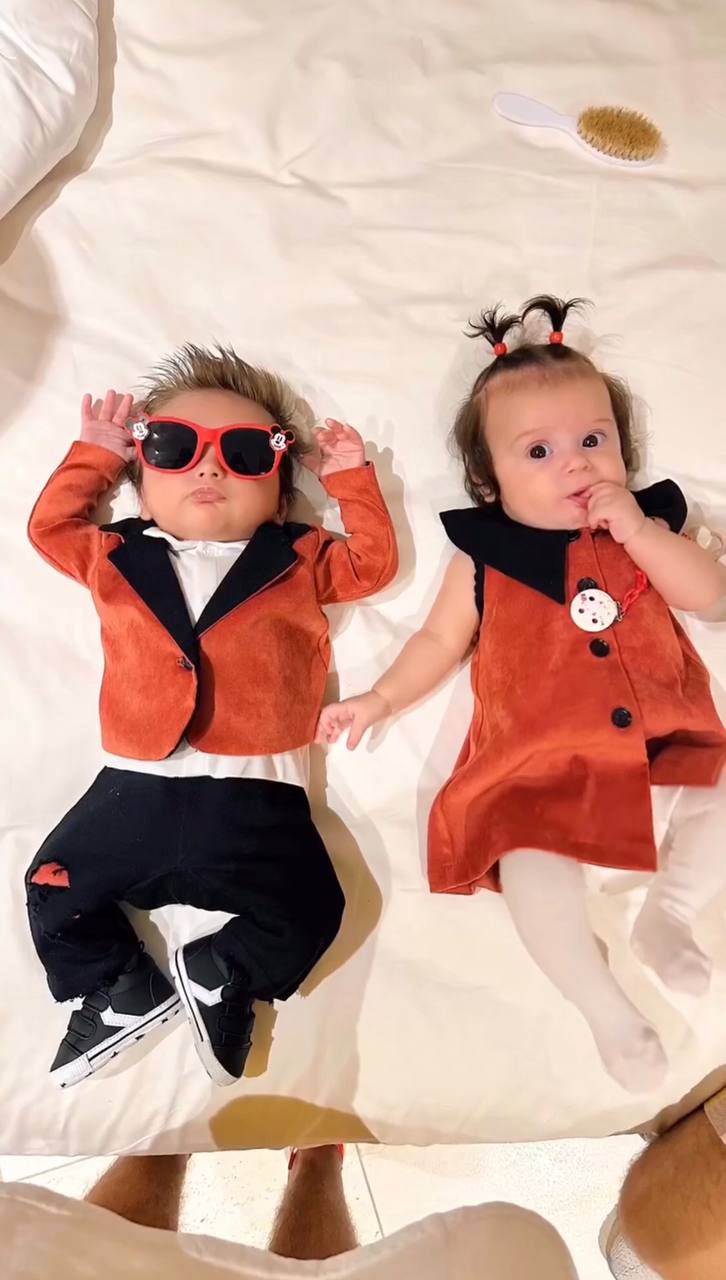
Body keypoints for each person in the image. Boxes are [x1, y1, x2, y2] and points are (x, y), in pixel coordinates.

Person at [317, 295, 726, 1094]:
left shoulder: (651, 527)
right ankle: (600, 1003)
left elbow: (709, 595)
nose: (576, 464)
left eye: (594, 441)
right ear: (488, 481)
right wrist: (380, 700)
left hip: (664, 743)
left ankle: (670, 913)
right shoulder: (485, 556)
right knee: (529, 864)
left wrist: (641, 532)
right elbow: (438, 642)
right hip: (538, 767)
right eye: (538, 451)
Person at [24, 344, 398, 1089]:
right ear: (140, 486)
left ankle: (225, 970)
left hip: (257, 790)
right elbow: (50, 529)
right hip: (136, 783)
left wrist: (350, 482)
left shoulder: (298, 557)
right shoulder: (116, 556)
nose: (209, 468)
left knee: (314, 906)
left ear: (282, 496)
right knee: (53, 884)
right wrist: (94, 456)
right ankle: (119, 988)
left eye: (246, 453)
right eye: (173, 447)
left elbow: (373, 564)